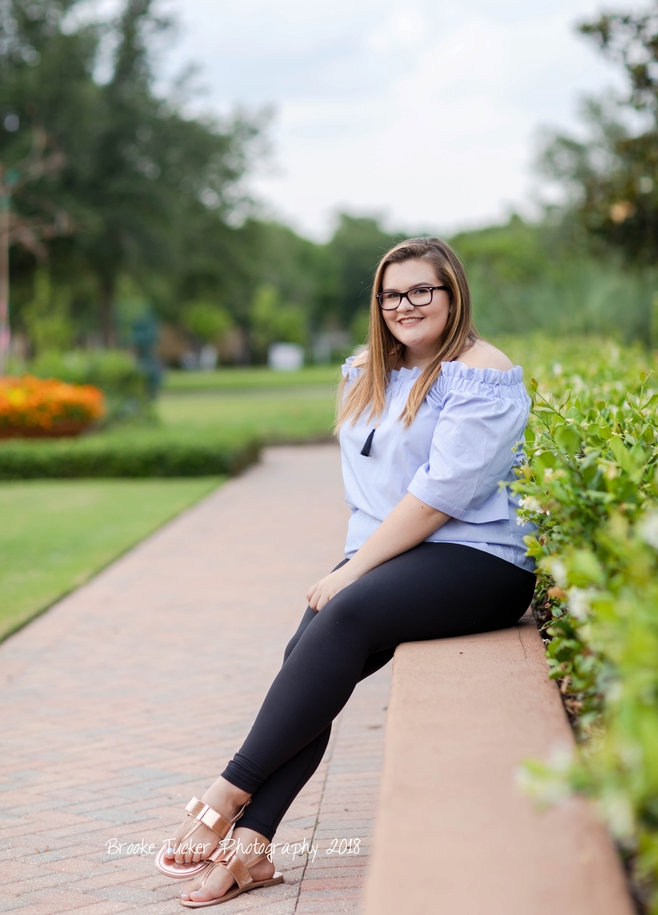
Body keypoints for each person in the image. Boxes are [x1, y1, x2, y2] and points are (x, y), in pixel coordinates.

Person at [155, 236, 536, 908]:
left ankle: (226, 793)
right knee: (310, 657)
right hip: (392, 557)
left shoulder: (482, 370)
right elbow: (374, 494)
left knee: (344, 614)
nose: (405, 304)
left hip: (480, 558)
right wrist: (357, 563)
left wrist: (353, 570)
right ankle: (252, 850)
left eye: (422, 290)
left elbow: (440, 495)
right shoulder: (365, 369)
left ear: (453, 294)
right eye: (392, 294)